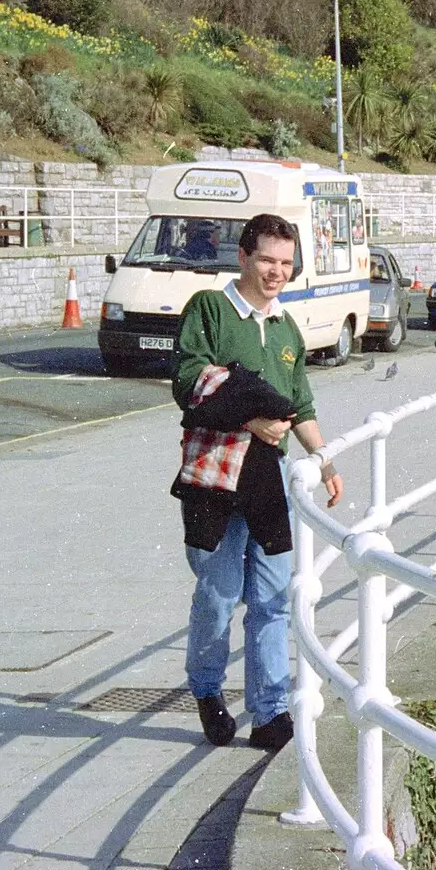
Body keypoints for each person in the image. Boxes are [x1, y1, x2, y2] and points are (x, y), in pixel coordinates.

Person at [172, 214, 344, 751]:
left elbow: (301, 405)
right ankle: (206, 691)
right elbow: (186, 381)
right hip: (218, 478)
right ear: (243, 257)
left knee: (271, 599)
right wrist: (250, 420)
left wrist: (326, 460)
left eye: (286, 263)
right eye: (267, 260)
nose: (276, 272)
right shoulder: (211, 310)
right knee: (219, 594)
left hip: (269, 480)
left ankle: (269, 711)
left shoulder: (288, 329)